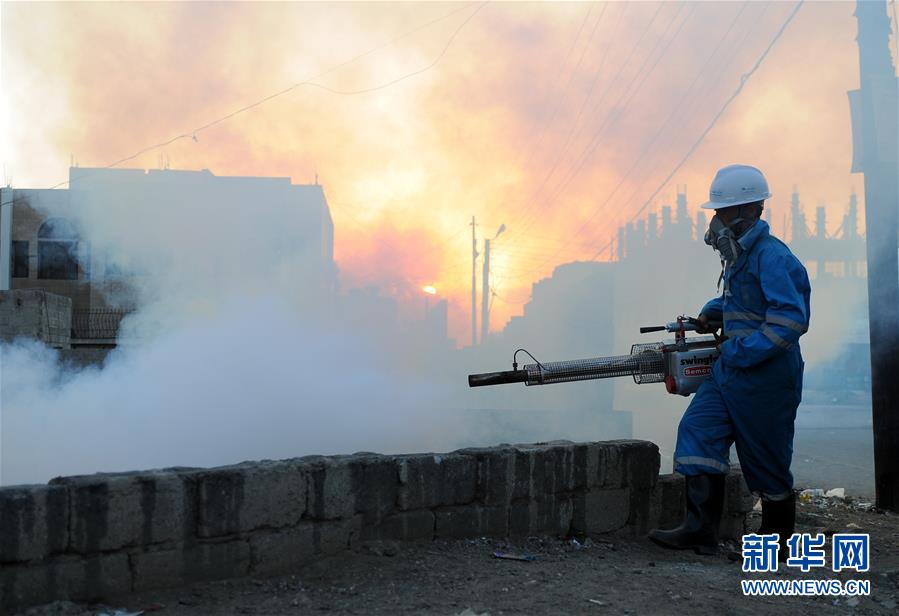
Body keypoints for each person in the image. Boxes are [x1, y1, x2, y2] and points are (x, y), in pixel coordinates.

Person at [648, 164, 811, 555]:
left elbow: (789, 321)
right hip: (730, 374)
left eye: (722, 212)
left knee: (766, 458)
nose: (716, 221)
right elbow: (741, 303)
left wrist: (736, 350)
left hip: (766, 379)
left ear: (748, 210)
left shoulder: (773, 257)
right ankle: (699, 529)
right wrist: (710, 313)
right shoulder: (739, 256)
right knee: (698, 431)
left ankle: (777, 543)